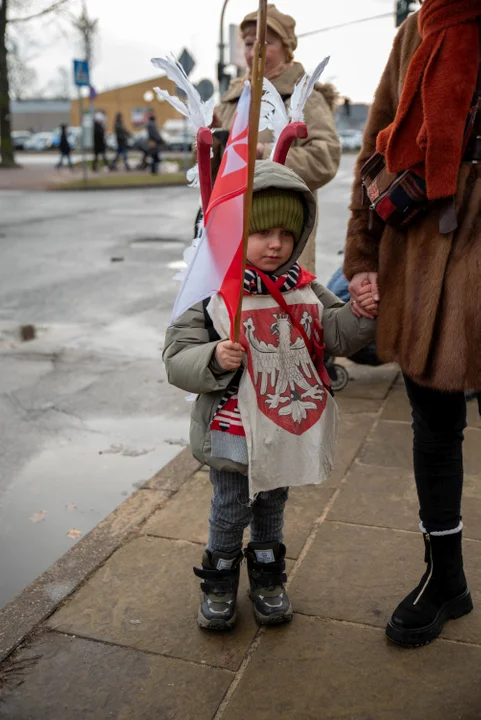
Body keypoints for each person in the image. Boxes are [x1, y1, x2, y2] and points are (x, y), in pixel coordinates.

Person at [163, 160, 376, 630]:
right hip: (232, 430)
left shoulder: (303, 286)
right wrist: (215, 357)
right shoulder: (212, 294)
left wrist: (361, 314)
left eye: (285, 232)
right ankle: (218, 586)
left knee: (271, 507)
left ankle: (268, 578)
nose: (275, 243)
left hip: (283, 427)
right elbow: (177, 358)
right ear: (236, 234)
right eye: (261, 232)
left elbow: (336, 335)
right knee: (229, 508)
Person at [343, 0, 480, 647]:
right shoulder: (418, 29)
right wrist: (361, 260)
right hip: (423, 261)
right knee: (433, 433)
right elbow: (374, 147)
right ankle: (443, 579)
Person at [215, 3, 341, 272]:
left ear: (287, 47)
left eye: (265, 43)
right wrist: (209, 145)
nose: (254, 52)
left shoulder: (303, 98)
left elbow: (325, 157)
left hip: (279, 243)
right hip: (229, 234)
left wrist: (265, 153)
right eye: (249, 44)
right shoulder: (233, 99)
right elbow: (212, 171)